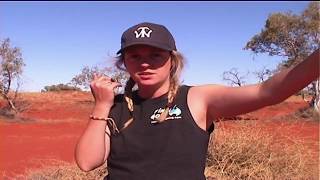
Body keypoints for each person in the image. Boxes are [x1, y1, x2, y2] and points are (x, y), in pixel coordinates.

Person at [75, 22, 319, 180]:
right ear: (124, 63)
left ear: (172, 60)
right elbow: (87, 162)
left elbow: (269, 92)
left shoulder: (196, 99)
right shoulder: (115, 106)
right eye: (135, 56)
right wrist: (101, 105)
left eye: (156, 55)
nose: (145, 63)